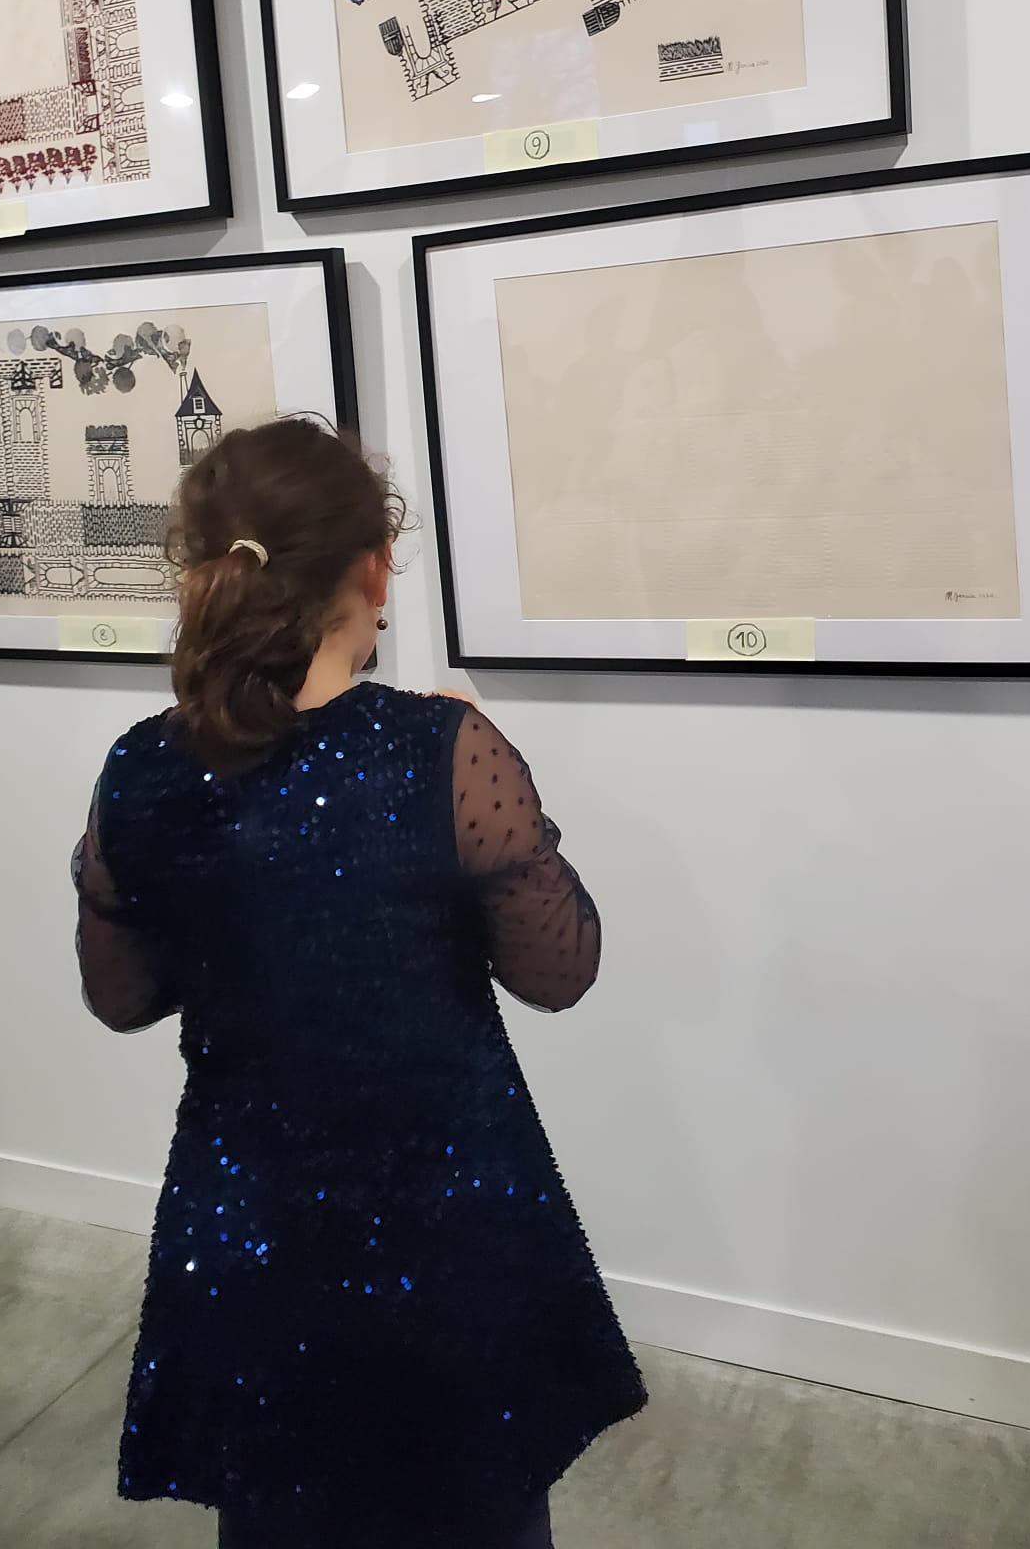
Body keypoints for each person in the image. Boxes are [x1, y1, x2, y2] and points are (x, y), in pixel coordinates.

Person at [73, 416, 646, 1548]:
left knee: (279, 1512)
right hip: (449, 1217)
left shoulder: (139, 768)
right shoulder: (442, 749)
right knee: (476, 1508)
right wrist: (513, 820)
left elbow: (122, 998)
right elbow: (560, 970)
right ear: (375, 570)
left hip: (250, 1217)